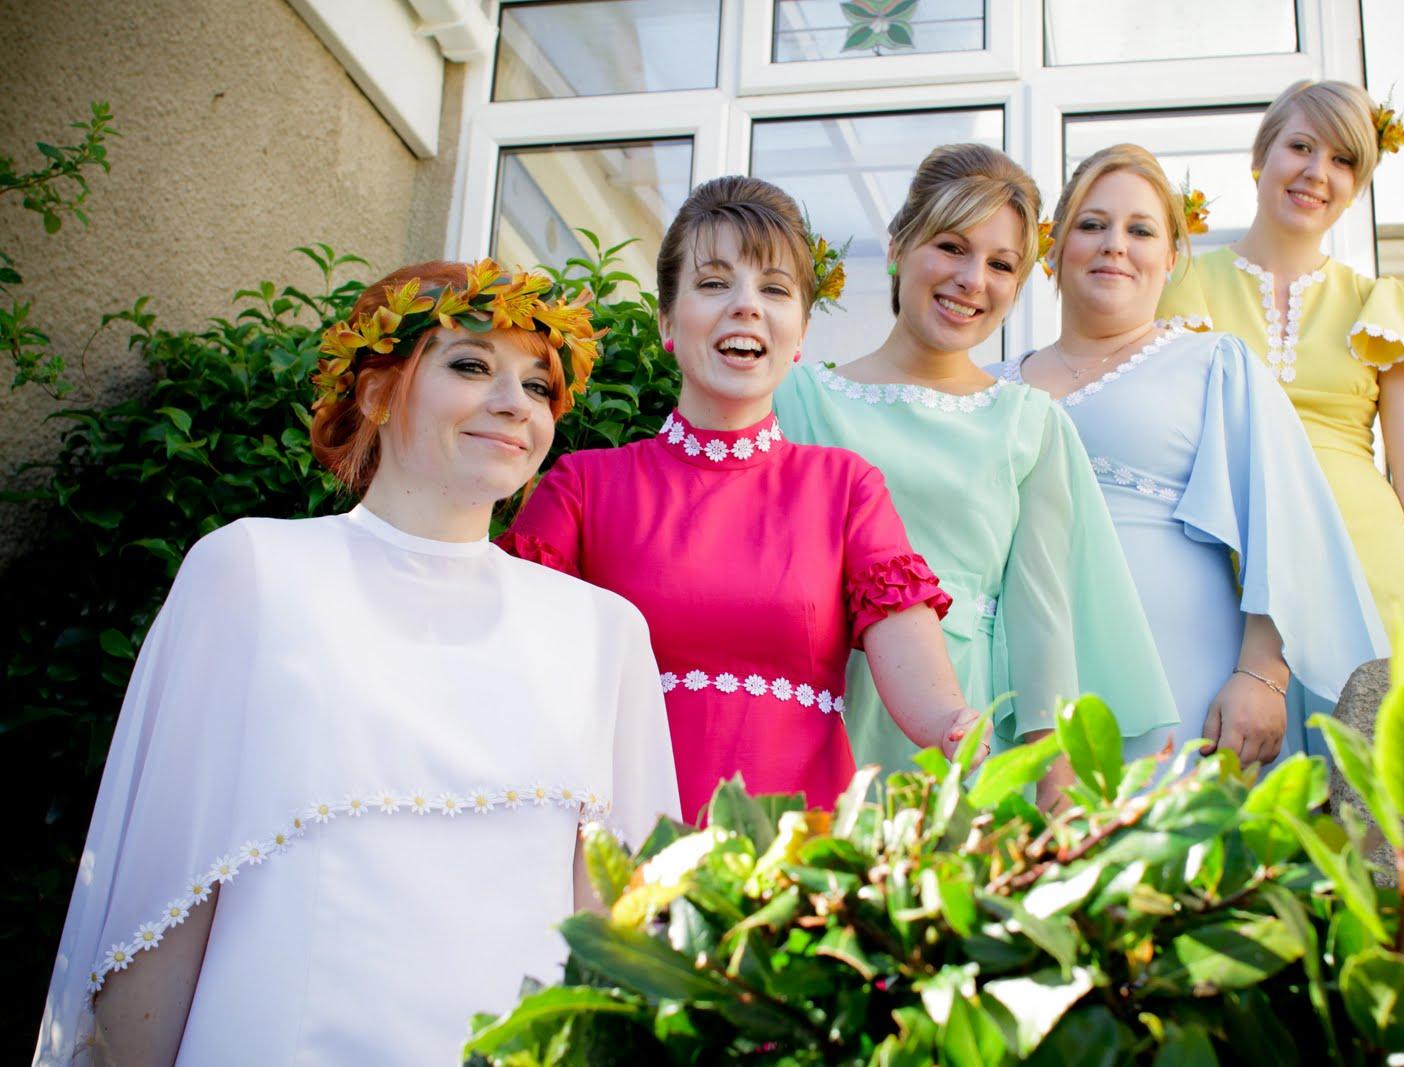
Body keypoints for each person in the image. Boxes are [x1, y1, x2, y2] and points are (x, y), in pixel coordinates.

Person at [35, 260, 680, 1066]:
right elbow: (162, 905)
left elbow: (619, 927)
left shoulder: (603, 631)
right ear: (376, 391)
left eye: (539, 387)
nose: (516, 404)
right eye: (472, 365)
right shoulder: (252, 572)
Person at [498, 176, 985, 824]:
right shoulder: (583, 487)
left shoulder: (845, 488)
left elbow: (915, 671)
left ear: (801, 332)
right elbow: (510, 666)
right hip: (623, 854)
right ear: (668, 320)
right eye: (713, 282)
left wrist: (955, 725)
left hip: (799, 862)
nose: (746, 306)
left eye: (774, 289)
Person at [774, 143, 1177, 809]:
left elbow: (1041, 614)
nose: (972, 279)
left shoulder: (1029, 422)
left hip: (970, 727)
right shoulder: (799, 400)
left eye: (1000, 264)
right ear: (900, 244)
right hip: (822, 707)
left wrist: (1055, 782)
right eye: (951, 246)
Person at [992, 144, 1387, 764]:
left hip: (1182, 686)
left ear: (1172, 257)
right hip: (1016, 688)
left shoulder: (1213, 365)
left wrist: (1263, 674)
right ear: (1054, 247)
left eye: (1140, 230)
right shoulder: (991, 388)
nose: (1114, 244)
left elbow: (1283, 527)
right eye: (1091, 225)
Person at [1157, 79, 1404, 656]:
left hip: (1372, 569)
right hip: (1227, 567)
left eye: (1343, 160)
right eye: (1302, 146)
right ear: (1261, 158)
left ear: (1355, 187)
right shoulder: (1181, 289)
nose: (1317, 172)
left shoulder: (1380, 306)